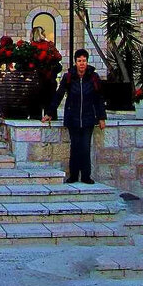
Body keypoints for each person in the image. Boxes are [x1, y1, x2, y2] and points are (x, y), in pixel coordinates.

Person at [43, 48, 107, 184]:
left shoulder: (93, 77)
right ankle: (73, 175)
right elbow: (59, 94)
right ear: (75, 62)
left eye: (84, 61)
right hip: (73, 117)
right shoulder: (69, 77)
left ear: (87, 62)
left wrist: (101, 118)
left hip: (89, 118)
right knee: (75, 147)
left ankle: (85, 176)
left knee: (85, 147)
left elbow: (99, 98)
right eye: (79, 61)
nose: (82, 63)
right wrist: (49, 113)